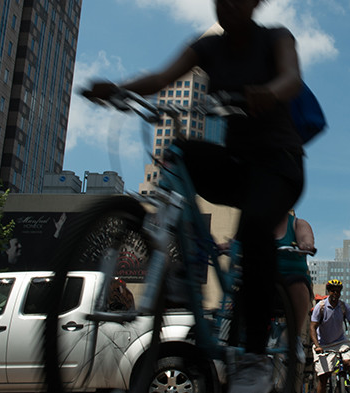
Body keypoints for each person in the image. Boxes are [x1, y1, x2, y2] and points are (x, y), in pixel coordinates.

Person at [83, 0, 304, 391]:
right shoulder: (207, 48)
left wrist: (266, 93)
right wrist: (118, 89)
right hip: (237, 167)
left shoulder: (275, 39)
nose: (228, 5)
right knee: (181, 151)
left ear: (255, 3)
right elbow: (161, 77)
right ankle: (182, 272)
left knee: (254, 228)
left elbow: (291, 79)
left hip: (278, 166)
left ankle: (253, 358)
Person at [311, 279, 350, 393]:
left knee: (348, 362)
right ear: (329, 291)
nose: (335, 293)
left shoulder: (344, 307)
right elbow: (312, 327)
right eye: (332, 290)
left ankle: (343, 381)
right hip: (323, 344)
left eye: (337, 291)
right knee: (323, 378)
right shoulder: (320, 307)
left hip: (341, 342)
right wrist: (317, 345)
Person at [277, 210, 316, 361]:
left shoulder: (297, 224)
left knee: (299, 285)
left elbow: (307, 239)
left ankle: (293, 336)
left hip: (290, 279)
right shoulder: (257, 222)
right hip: (263, 277)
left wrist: (306, 245)